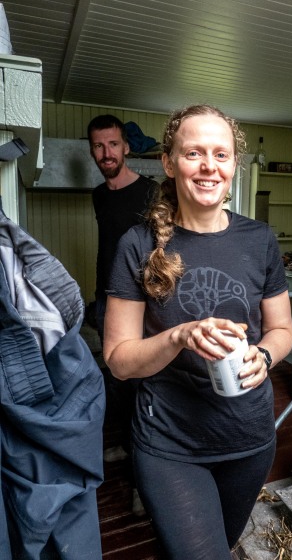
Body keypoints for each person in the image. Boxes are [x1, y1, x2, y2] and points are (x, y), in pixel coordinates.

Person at [103, 104, 292, 559]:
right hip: (171, 444)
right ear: (169, 163)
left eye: (221, 154)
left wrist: (264, 356)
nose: (209, 166)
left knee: (217, 546)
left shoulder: (259, 239)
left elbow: (283, 328)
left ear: (233, 165)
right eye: (194, 153)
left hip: (249, 439)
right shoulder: (138, 245)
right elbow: (118, 358)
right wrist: (178, 336)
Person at [88, 114, 159, 516]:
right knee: (116, 382)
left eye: (113, 144)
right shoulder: (99, 195)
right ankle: (129, 447)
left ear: (126, 147)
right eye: (98, 146)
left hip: (141, 306)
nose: (106, 153)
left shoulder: (150, 194)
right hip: (105, 300)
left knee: (141, 392)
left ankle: (140, 481)